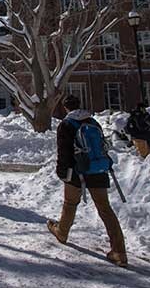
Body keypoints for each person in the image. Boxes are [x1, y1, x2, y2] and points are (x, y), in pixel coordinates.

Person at [47, 95, 127, 267]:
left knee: (70, 203)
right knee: (105, 209)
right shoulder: (93, 122)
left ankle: (62, 233)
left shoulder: (66, 124)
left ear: (66, 107)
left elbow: (64, 152)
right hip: (97, 169)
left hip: (76, 172)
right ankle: (119, 252)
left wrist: (62, 172)